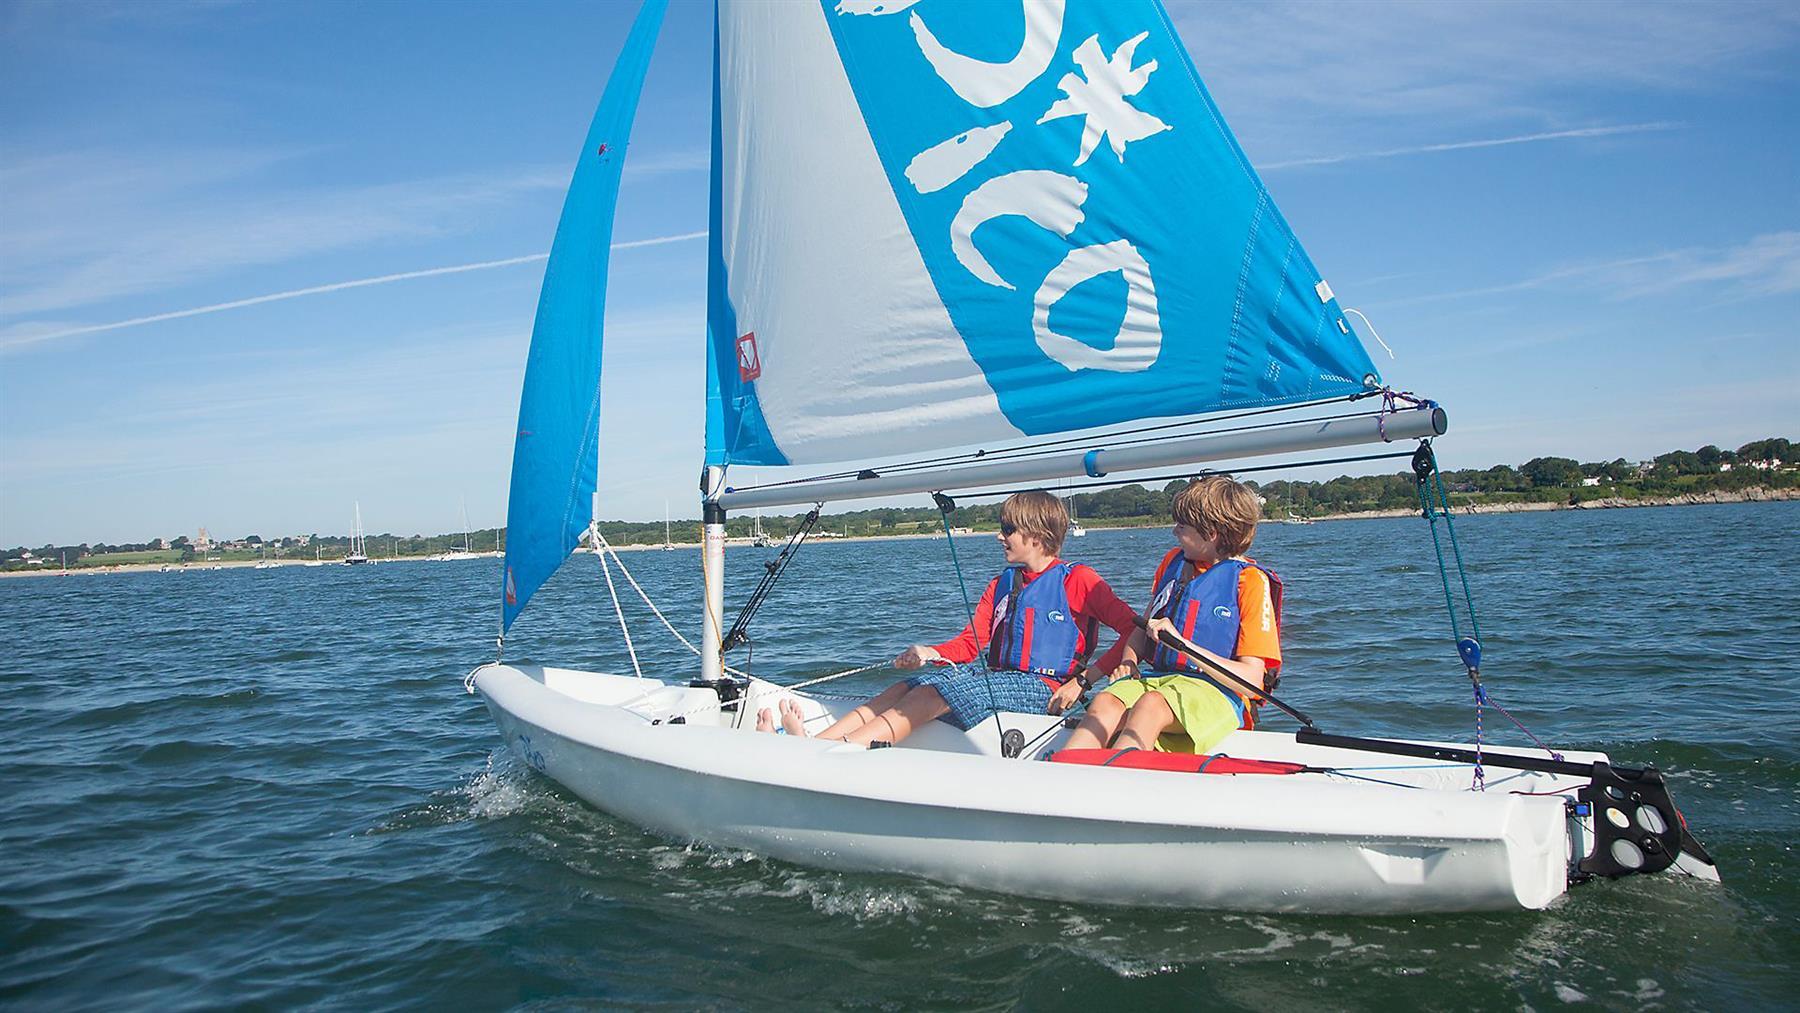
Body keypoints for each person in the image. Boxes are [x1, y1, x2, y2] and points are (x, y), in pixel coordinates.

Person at [758, 490, 1138, 747]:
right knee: (913, 682)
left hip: (1044, 690)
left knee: (935, 692)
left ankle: (839, 752)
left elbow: (1134, 633)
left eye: (1007, 530)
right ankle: (819, 744)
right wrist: (929, 651)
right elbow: (970, 644)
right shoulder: (1002, 584)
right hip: (999, 678)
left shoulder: (1080, 581)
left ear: (1037, 537)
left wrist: (1083, 681)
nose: (998, 537)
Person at [1061, 476, 1282, 755]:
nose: (1174, 532)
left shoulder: (1249, 582)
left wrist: (1182, 644)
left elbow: (1251, 682)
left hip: (1216, 692)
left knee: (1150, 705)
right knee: (1104, 702)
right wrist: (1129, 662)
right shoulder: (1173, 563)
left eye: (1182, 526)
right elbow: (1142, 630)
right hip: (1159, 680)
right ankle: (1062, 774)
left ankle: (1118, 779)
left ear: (1211, 532)